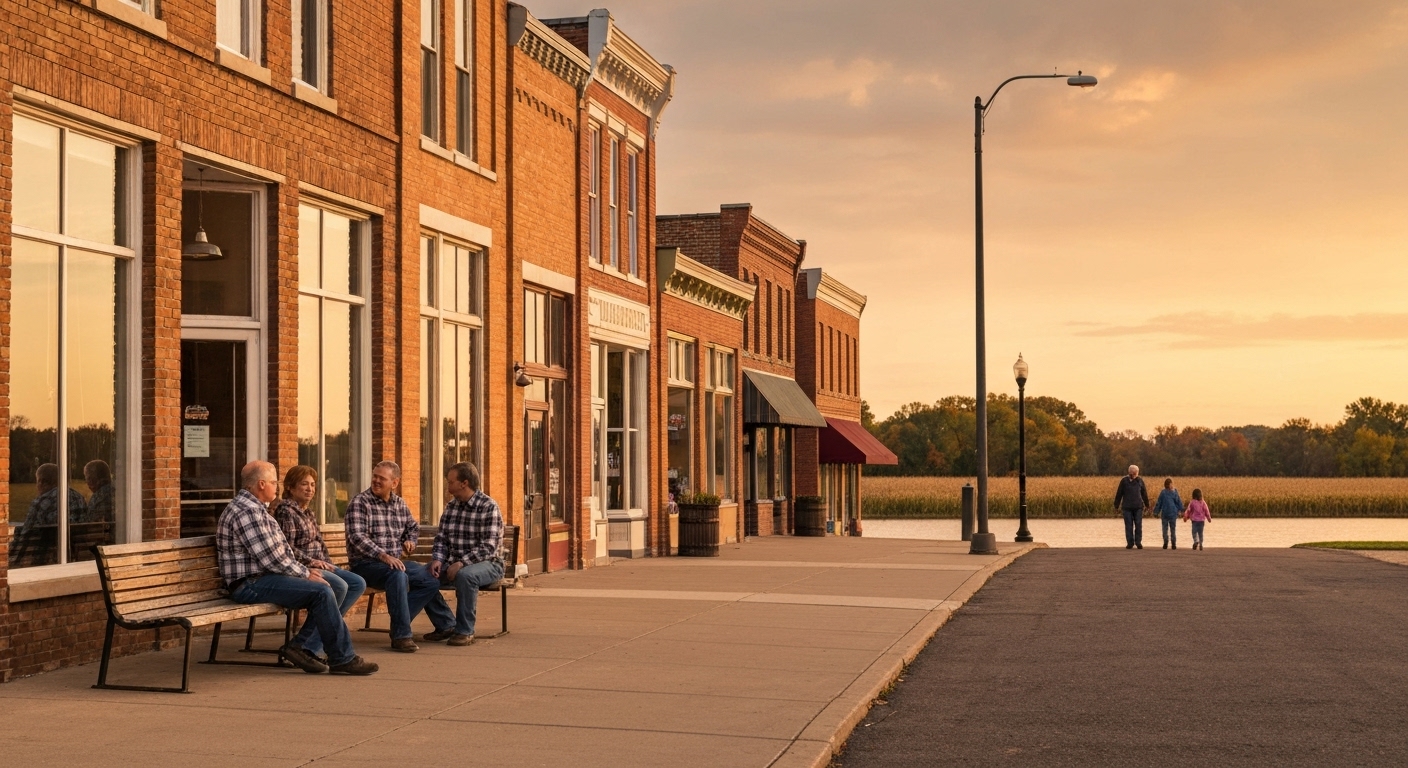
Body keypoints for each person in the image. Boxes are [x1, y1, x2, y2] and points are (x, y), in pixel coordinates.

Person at [217, 460, 378, 676]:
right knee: (322, 591)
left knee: (330, 587)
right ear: (262, 484)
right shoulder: (247, 512)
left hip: (264, 577)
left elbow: (281, 552)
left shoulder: (257, 509)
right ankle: (341, 657)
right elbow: (271, 559)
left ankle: (301, 647)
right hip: (249, 583)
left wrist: (307, 571)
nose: (277, 486)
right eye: (274, 482)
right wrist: (305, 573)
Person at [346, 460, 455, 652]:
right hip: (366, 565)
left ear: (394, 483)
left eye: (382, 478)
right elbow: (357, 537)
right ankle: (401, 636)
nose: (376, 481)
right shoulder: (360, 502)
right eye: (375, 476)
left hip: (394, 563)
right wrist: (383, 556)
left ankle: (445, 624)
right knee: (398, 575)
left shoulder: (399, 503)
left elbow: (412, 527)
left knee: (430, 577)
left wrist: (410, 540)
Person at [273, 465, 367, 662]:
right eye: (304, 484)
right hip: (303, 567)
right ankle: (308, 645)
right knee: (340, 586)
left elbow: (320, 544)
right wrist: (312, 562)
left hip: (321, 565)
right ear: (290, 487)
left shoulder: (308, 512)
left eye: (313, 485)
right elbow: (286, 548)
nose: (310, 489)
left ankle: (311, 641)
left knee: (357, 583)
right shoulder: (286, 511)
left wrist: (328, 563)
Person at [426, 462, 505, 646]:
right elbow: (442, 538)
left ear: (464, 483)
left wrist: (461, 563)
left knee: (465, 576)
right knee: (421, 577)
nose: (447, 485)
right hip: (454, 562)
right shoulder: (451, 506)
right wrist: (438, 559)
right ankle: (445, 624)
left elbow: (489, 546)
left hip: (489, 564)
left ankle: (464, 631)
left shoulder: (488, 506)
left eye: (450, 481)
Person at [1113, 464, 1149, 549]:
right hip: (1127, 507)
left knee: (1138, 525)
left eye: (1135, 473)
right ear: (1131, 472)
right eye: (1133, 473)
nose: (1134, 474)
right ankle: (1130, 543)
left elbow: (1144, 493)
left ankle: (1138, 542)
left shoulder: (1140, 481)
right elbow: (1119, 494)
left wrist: (1147, 505)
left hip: (1138, 507)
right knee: (1128, 525)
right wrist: (1116, 506)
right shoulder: (1124, 481)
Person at [1154, 478, 1183, 550]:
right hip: (1170, 513)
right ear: (1169, 485)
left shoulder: (1164, 492)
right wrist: (1181, 510)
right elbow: (1178, 501)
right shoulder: (1173, 492)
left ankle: (1168, 543)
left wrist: (1156, 512)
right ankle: (1170, 543)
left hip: (1168, 513)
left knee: (1167, 529)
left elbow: (1159, 503)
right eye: (1171, 484)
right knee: (1170, 529)